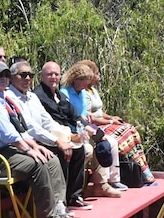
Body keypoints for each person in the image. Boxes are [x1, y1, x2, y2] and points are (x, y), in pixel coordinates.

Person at [0, 60, 80, 218]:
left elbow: (20, 127)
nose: (3, 78)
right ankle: (48, 217)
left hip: (5, 151)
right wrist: (28, 149)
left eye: (5, 75)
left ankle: (59, 208)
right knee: (38, 164)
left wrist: (35, 146)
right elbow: (7, 133)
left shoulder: (1, 96)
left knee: (51, 159)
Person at [9, 60, 91, 210]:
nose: (27, 78)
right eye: (23, 75)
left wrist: (68, 136)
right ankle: (59, 202)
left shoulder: (31, 97)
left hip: (41, 138)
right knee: (62, 152)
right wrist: (58, 141)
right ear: (12, 77)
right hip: (26, 143)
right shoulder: (10, 97)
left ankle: (71, 197)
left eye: (30, 75)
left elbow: (47, 122)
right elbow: (30, 127)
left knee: (78, 148)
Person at [63, 60, 155, 187]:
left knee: (110, 142)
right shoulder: (65, 94)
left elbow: (86, 114)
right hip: (75, 130)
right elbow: (73, 116)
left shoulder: (84, 92)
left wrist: (107, 119)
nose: (86, 84)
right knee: (99, 145)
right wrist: (105, 122)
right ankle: (86, 185)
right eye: (85, 81)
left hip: (87, 127)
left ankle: (110, 181)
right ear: (76, 79)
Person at [36, 60, 119, 199]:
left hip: (75, 130)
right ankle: (69, 194)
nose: (53, 77)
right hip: (58, 135)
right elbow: (52, 123)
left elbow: (76, 116)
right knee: (85, 150)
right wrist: (76, 133)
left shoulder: (60, 95)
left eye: (56, 74)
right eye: (49, 74)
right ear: (42, 76)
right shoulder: (40, 95)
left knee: (104, 142)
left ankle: (98, 185)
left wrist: (92, 130)